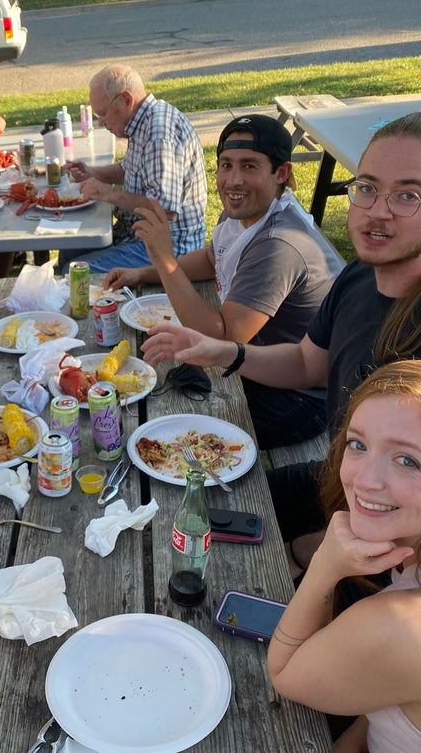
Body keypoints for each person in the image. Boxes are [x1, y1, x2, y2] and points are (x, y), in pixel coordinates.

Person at [140, 111, 421, 560]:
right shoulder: (360, 278)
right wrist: (224, 351)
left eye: (407, 195)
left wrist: (299, 555)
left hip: (383, 537)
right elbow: (308, 363)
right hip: (337, 473)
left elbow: (401, 518)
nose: (377, 211)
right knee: (187, 508)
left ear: (282, 175)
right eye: (367, 188)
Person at [105, 115, 343, 449]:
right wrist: (142, 273)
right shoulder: (248, 211)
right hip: (259, 360)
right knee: (147, 392)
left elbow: (221, 334)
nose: (233, 180)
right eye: (226, 165)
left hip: (300, 398)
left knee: (153, 424)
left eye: (249, 166)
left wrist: (165, 260)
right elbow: (211, 258)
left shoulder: (279, 245)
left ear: (282, 173)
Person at [267, 360, 421, 753]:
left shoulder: (401, 626)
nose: (363, 479)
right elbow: (387, 711)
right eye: (358, 444)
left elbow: (285, 675)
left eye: (409, 460)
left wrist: (325, 565)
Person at [60, 64, 207, 273]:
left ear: (126, 100)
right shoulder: (142, 121)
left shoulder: (159, 133)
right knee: (71, 248)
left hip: (168, 247)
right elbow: (129, 169)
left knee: (74, 271)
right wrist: (92, 172)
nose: (100, 122)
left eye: (102, 113)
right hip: (137, 234)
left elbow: (164, 210)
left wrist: (108, 193)